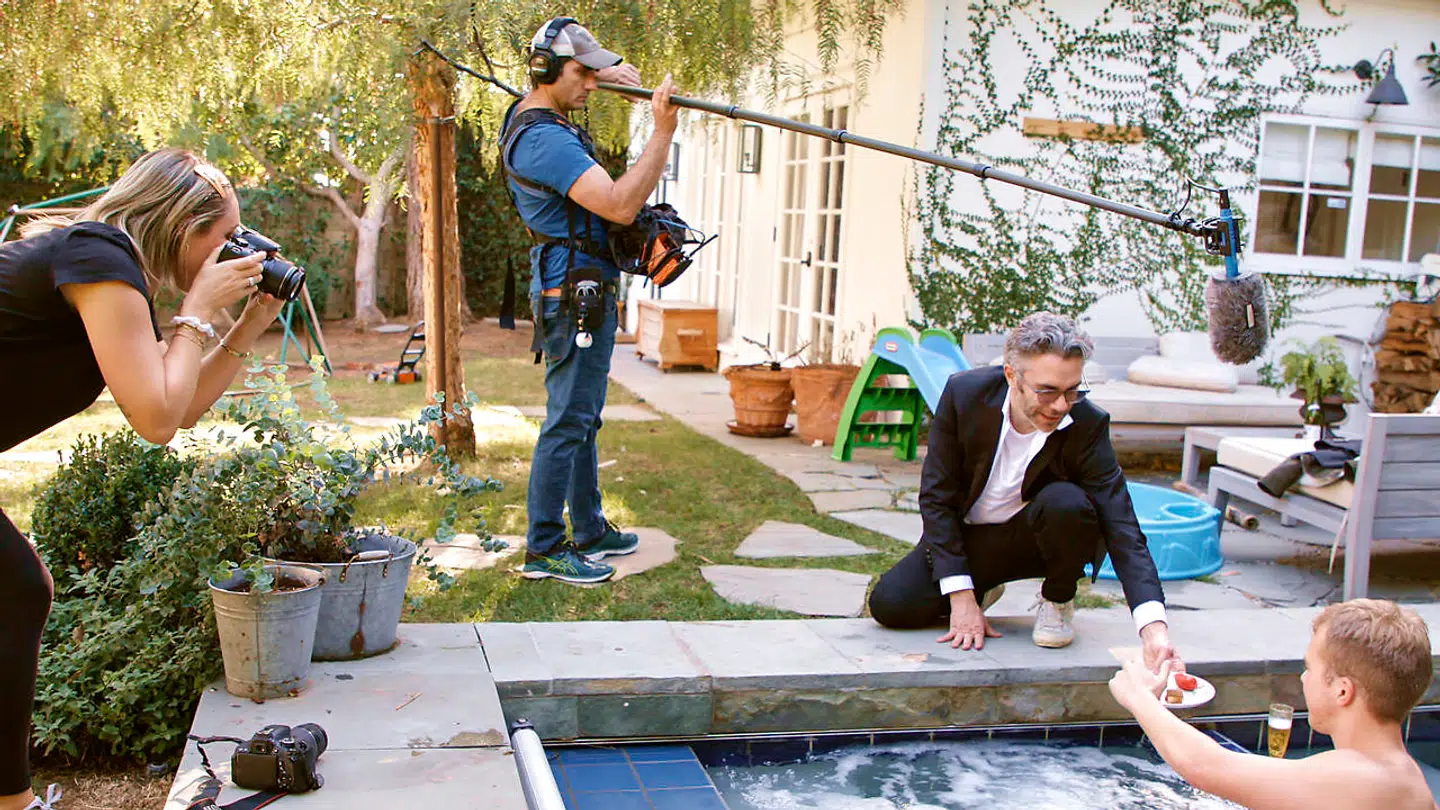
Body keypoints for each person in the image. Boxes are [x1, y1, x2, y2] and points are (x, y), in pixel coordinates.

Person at [0, 148, 283, 810]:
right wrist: (198, 308)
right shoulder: (97, 254)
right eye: (226, 236)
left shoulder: (111, 273)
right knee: (15, 590)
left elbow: (176, 407)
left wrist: (249, 323)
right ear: (183, 226)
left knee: (15, 591)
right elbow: (156, 419)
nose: (234, 251)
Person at [868, 312, 1183, 673]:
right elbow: (936, 497)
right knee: (891, 605)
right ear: (1011, 376)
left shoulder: (1088, 424)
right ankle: (983, 587)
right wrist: (962, 596)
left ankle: (1058, 599)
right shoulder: (964, 395)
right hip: (970, 539)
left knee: (1068, 503)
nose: (1061, 405)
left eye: (1072, 390)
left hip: (1036, 539)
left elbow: (1122, 525)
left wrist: (1154, 630)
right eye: (1047, 391)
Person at [500, 17, 679, 584]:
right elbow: (620, 205)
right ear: (546, 69)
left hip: (583, 279)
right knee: (567, 419)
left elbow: (590, 81)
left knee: (584, 416)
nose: (591, 85)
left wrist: (610, 74)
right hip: (574, 287)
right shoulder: (544, 139)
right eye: (582, 73)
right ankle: (545, 549)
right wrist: (662, 132)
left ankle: (590, 527)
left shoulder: (540, 117)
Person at [1109, 599, 1437, 810]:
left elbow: (1206, 766)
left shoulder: (1363, 780)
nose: (1304, 678)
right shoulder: (1401, 776)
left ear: (1342, 691)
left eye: (1310, 667)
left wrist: (1139, 697)